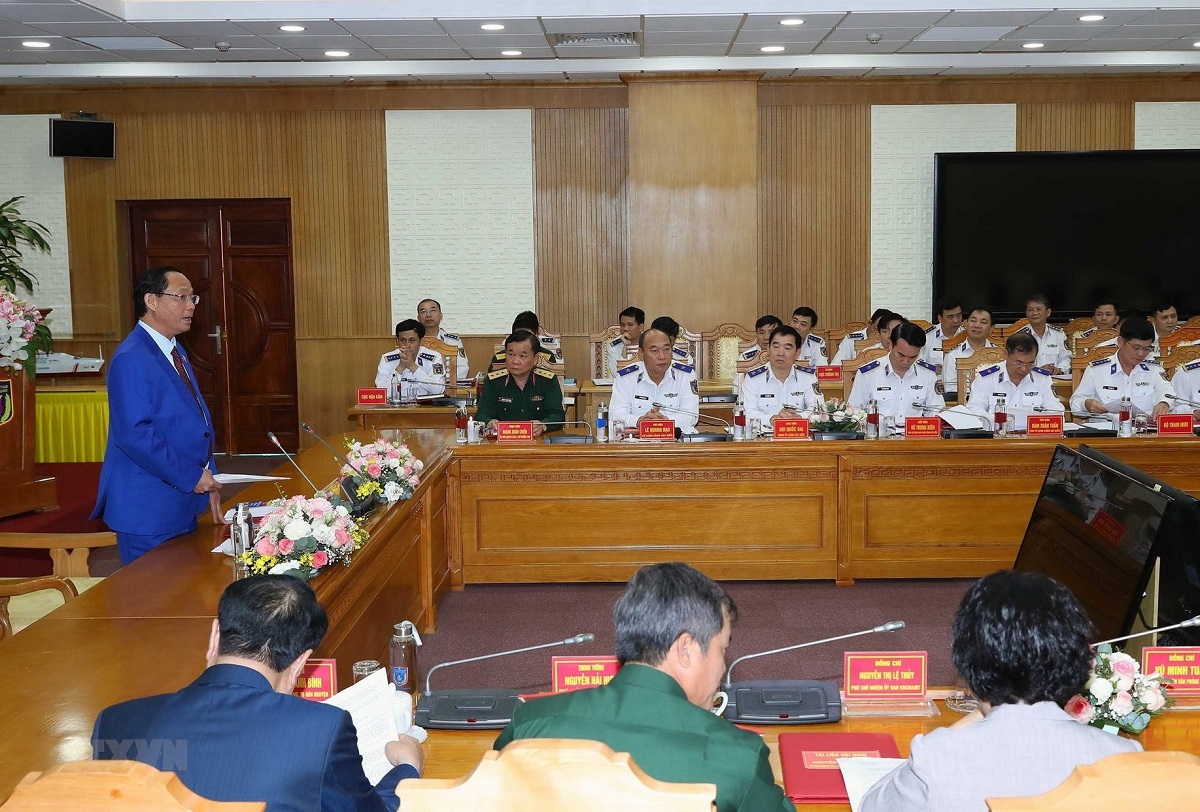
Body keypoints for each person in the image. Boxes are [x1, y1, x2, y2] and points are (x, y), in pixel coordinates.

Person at [92, 576, 424, 811]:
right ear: (301, 663)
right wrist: (407, 768)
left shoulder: (115, 722)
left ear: (215, 636)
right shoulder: (322, 729)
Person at [494, 563, 791, 812]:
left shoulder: (529, 725)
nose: (723, 666)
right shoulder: (737, 756)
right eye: (722, 649)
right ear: (685, 650)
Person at [860, 570, 1140, 812]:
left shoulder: (935, 756)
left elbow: (872, 806)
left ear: (968, 662)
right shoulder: (1124, 755)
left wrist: (968, 721)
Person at [92, 266, 224, 565]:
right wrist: (192, 476)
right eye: (181, 297)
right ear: (151, 300)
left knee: (184, 587)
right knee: (154, 592)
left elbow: (191, 422)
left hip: (180, 498)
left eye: (193, 298)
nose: (191, 306)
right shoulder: (132, 358)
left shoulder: (174, 350)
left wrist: (209, 477)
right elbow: (135, 435)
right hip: (148, 508)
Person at [1070, 317, 1172, 418]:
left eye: (1147, 349)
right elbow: (1075, 403)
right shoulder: (1096, 370)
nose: (1141, 354)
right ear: (1120, 342)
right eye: (1136, 348)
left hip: (1143, 426)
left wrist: (1164, 402)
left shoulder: (1154, 369)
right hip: (1106, 426)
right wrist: (1086, 404)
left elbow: (1167, 391)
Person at [847, 322, 943, 425]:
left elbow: (936, 410)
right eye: (901, 355)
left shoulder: (927, 374)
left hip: (915, 433)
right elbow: (854, 410)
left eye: (912, 357)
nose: (906, 362)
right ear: (891, 345)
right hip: (880, 433)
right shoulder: (868, 374)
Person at [965, 332, 1063, 431]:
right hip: (996, 435)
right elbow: (973, 410)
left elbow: (1057, 411)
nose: (1024, 369)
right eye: (1018, 362)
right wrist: (998, 421)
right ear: (1006, 355)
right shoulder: (987, 378)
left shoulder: (1042, 379)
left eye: (1030, 363)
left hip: (1032, 437)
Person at [610, 328, 699, 434]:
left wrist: (663, 422)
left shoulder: (685, 375)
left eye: (666, 349)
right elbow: (616, 414)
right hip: (637, 440)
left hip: (676, 440)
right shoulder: (626, 377)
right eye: (654, 351)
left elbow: (691, 416)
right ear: (641, 353)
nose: (662, 356)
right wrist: (640, 420)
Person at [476, 330, 564, 436]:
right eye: (511, 354)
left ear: (535, 359)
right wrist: (489, 421)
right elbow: (481, 414)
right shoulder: (493, 381)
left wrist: (543, 425)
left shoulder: (547, 380)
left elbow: (558, 415)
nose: (515, 361)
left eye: (522, 356)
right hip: (503, 441)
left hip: (538, 441)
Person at [741, 326, 824, 423]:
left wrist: (799, 417)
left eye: (787, 348)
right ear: (768, 349)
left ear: (797, 353)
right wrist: (771, 419)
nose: (780, 353)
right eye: (776, 347)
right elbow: (745, 412)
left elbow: (819, 408)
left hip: (797, 430)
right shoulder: (753, 378)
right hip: (765, 432)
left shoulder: (808, 377)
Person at [374, 319, 445, 399]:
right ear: (397, 341)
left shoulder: (434, 358)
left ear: (422, 341)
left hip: (424, 405)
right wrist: (400, 368)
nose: (407, 345)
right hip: (396, 405)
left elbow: (439, 390)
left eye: (412, 340)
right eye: (403, 340)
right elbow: (381, 393)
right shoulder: (387, 359)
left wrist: (413, 367)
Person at [941, 307, 995, 400]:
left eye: (983, 322)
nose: (977, 325)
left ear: (991, 329)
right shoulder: (953, 355)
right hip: (963, 405)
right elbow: (950, 389)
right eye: (973, 321)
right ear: (966, 324)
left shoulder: (1000, 355)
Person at [1015, 294, 1071, 374]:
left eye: (1038, 309)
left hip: (1056, 378)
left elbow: (1066, 357)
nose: (1034, 313)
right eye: (1030, 310)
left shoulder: (1058, 334)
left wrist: (1060, 369)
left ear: (1048, 312)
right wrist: (1039, 370)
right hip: (1030, 379)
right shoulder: (1019, 337)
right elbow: (1016, 364)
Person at [416, 298, 469, 377]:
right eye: (423, 311)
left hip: (447, 383)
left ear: (441, 316)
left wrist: (442, 381)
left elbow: (463, 368)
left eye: (433, 310)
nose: (428, 315)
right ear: (418, 318)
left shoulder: (453, 341)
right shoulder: (413, 341)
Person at [920, 295, 964, 369]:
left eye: (959, 315)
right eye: (950, 317)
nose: (956, 320)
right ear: (940, 318)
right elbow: (919, 363)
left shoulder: (968, 335)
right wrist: (933, 369)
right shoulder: (927, 337)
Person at [607, 306, 645, 374]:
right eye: (622, 325)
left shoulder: (650, 341)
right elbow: (616, 374)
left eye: (630, 325)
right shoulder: (614, 346)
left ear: (640, 327)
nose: (625, 328)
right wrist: (625, 346)